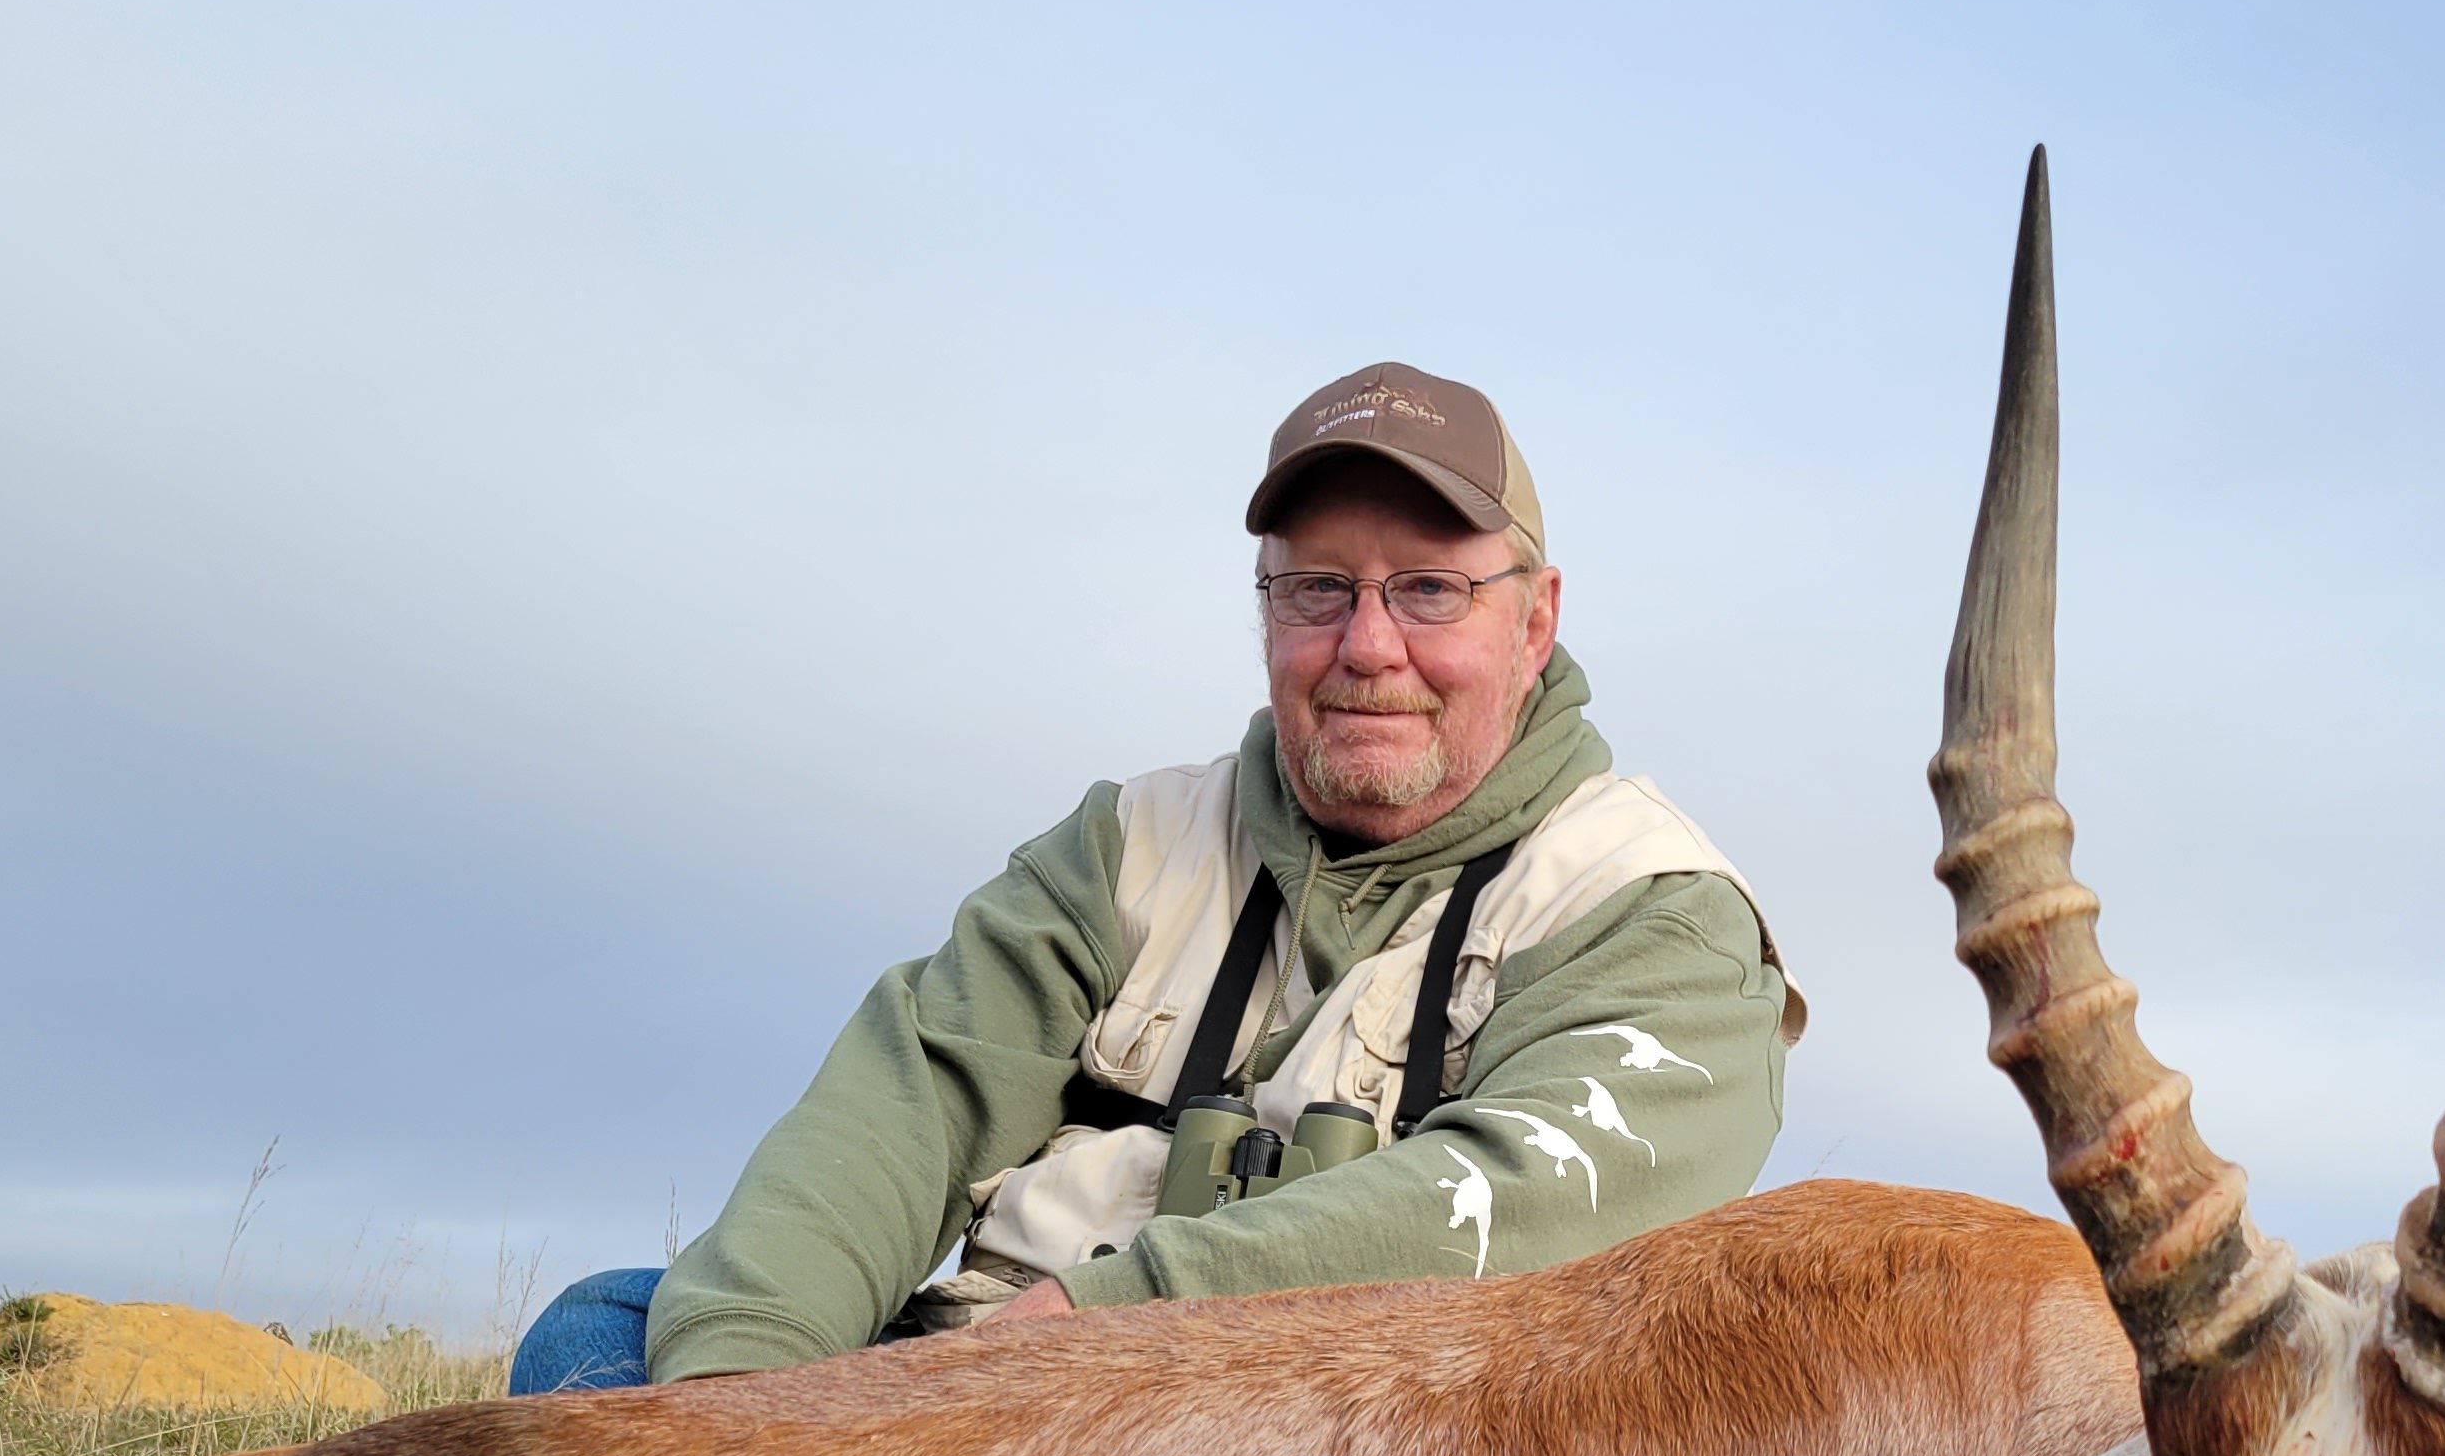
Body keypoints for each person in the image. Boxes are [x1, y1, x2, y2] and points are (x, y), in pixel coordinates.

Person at [513, 361, 1801, 1394]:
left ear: (1535, 619)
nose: (1366, 646)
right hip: (950, 1410)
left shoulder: (1655, 904)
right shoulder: (1129, 843)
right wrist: (742, 1412)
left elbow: (1529, 1215)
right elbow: (900, 1110)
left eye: (1426, 590)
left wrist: (1106, 1324)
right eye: (1315, 591)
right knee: (616, 1330)